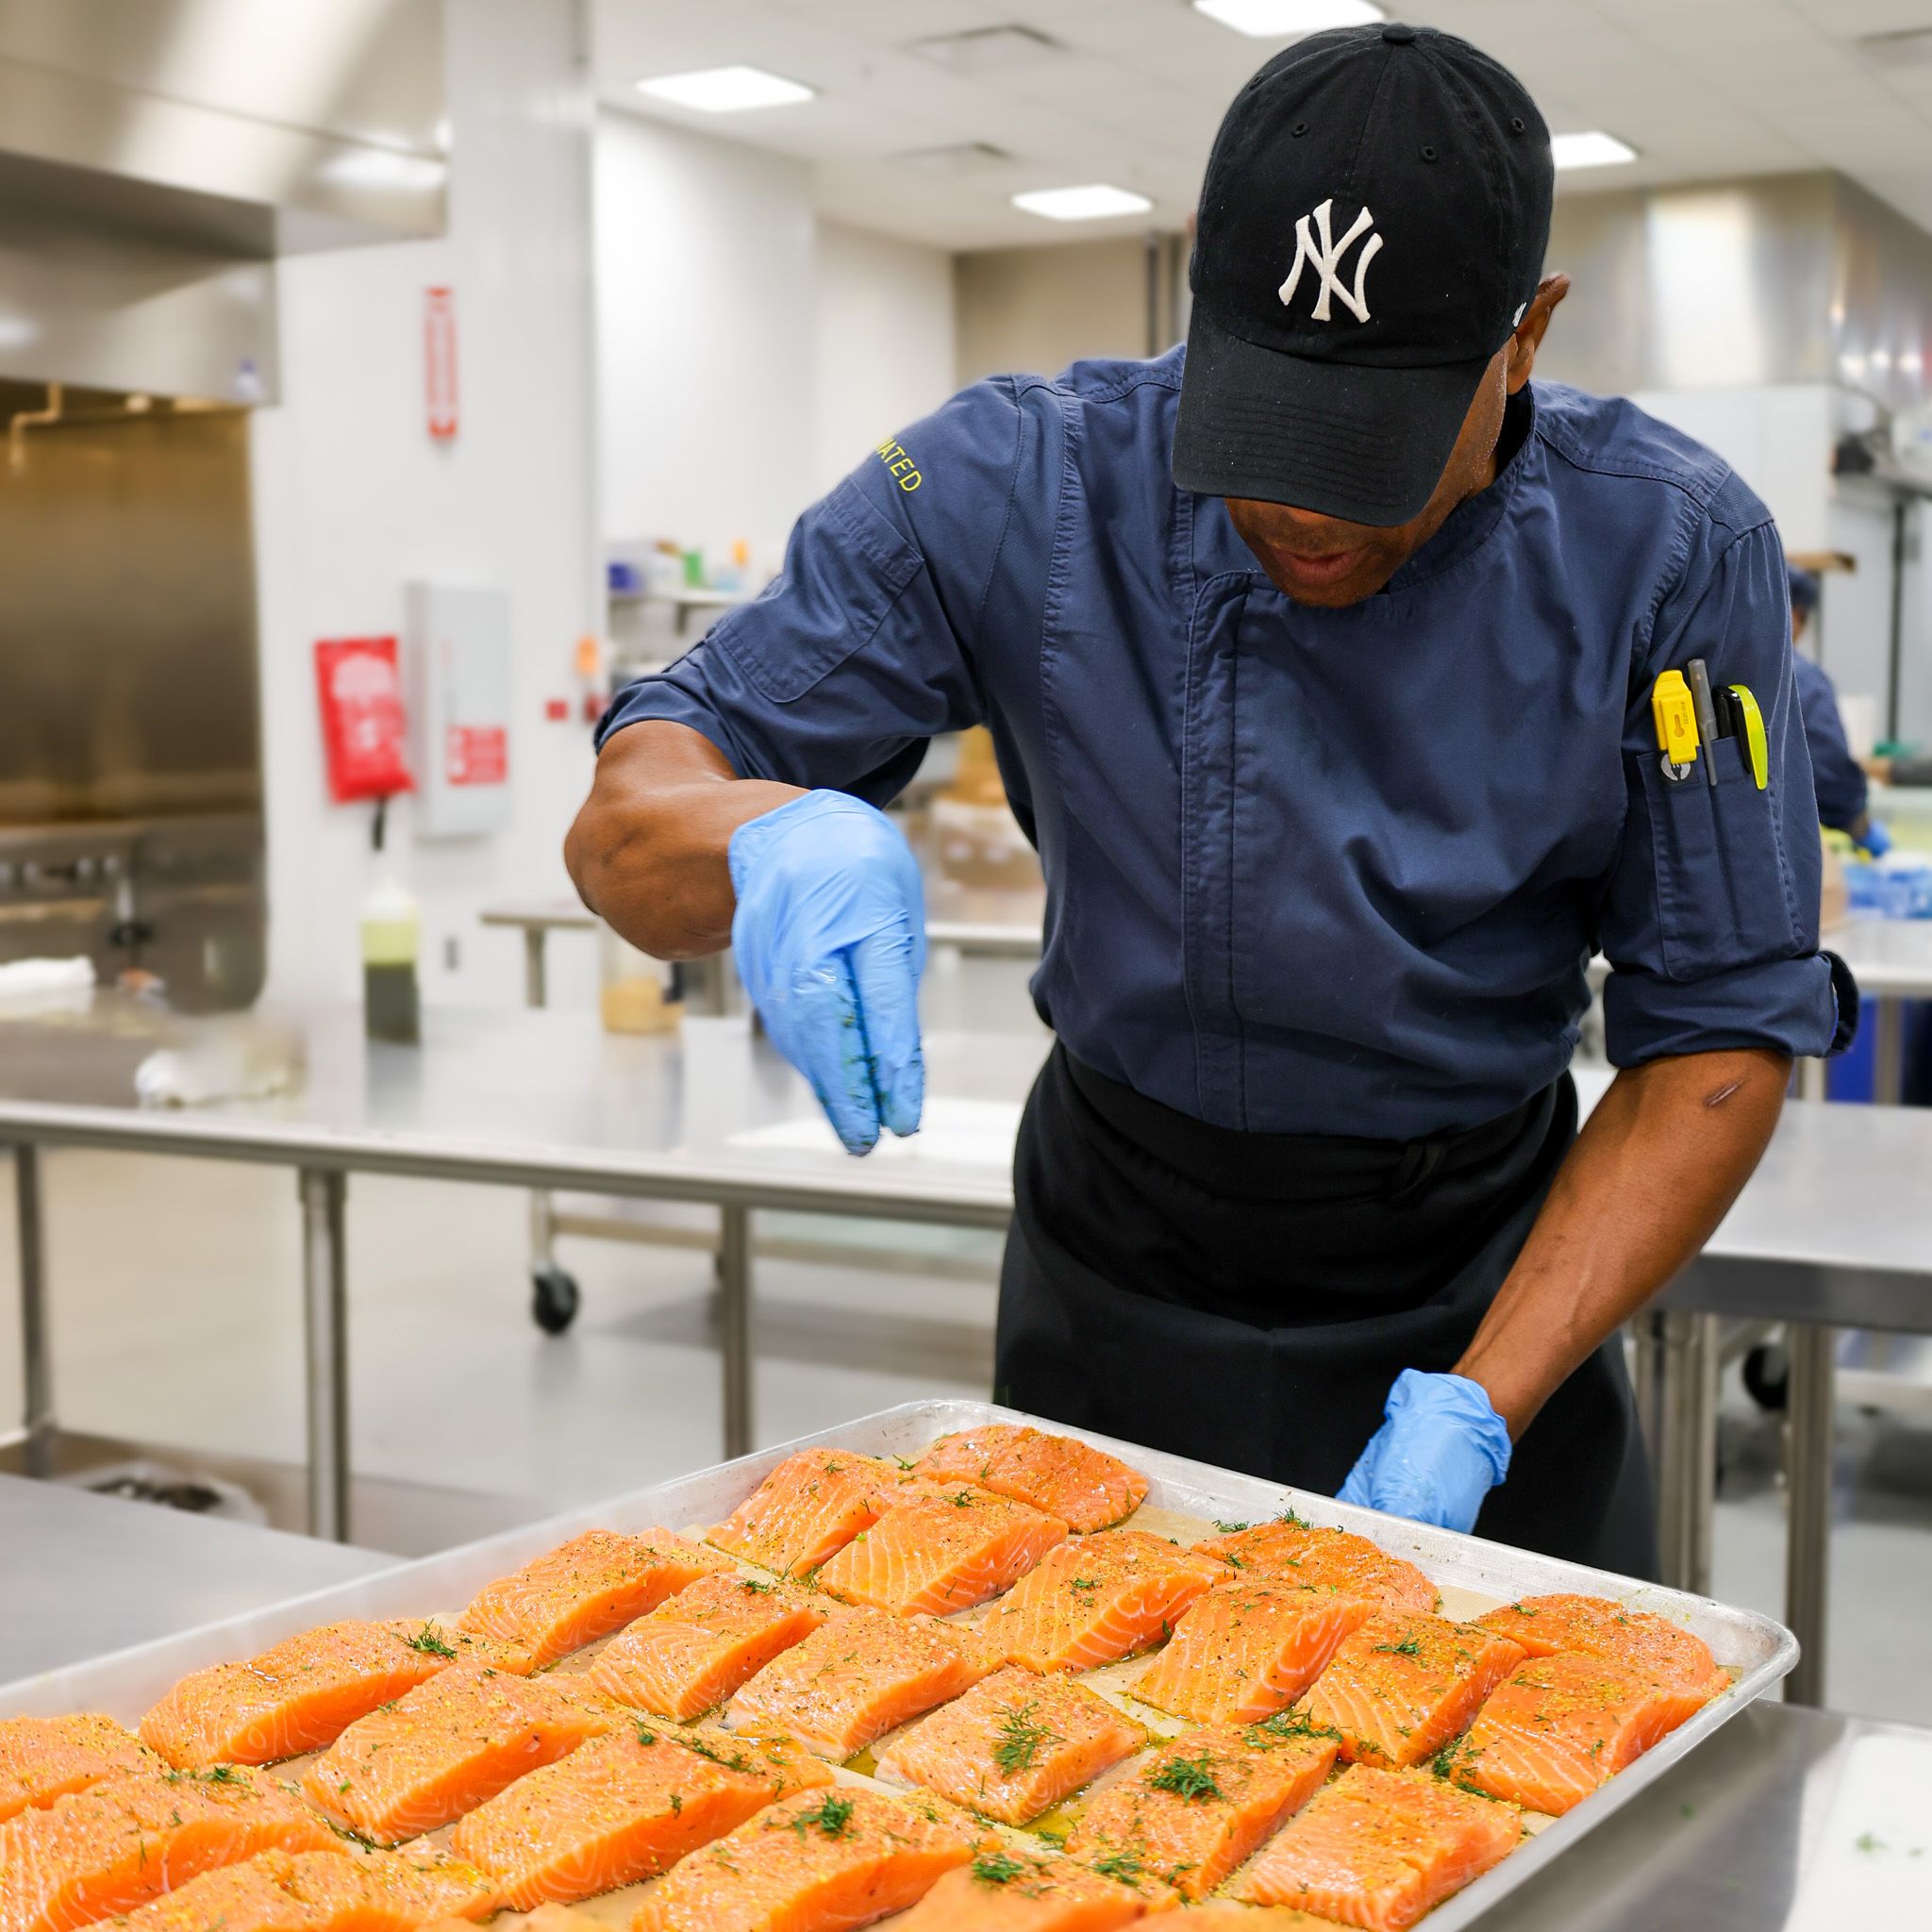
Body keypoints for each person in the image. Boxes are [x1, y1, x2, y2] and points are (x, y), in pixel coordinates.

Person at [567, 25, 1855, 1575]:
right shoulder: (1017, 485)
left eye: (1362, 444)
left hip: (1483, 1280)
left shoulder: (1664, 549)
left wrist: (1482, 1401)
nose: (1301, 503)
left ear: (1523, 339)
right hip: (1110, 1266)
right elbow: (632, 809)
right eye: (1260, 424)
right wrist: (757, 834)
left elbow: (1715, 1032)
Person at [1787, 565, 1888, 854]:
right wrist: (1859, 825)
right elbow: (1826, 764)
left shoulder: (1710, 662)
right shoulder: (1799, 678)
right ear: (1795, 615)